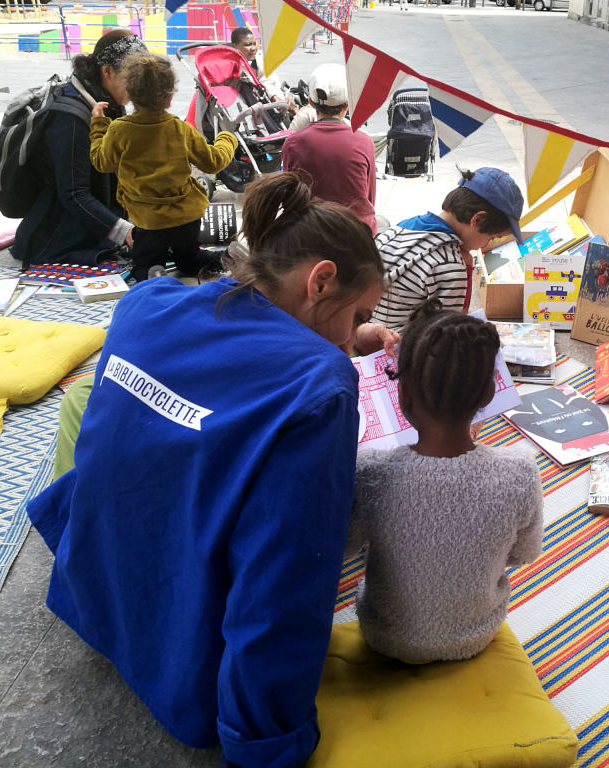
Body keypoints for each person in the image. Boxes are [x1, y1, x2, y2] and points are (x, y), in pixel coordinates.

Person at [26, 172, 398, 767]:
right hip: (180, 661)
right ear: (320, 280)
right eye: (357, 317)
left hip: (92, 593)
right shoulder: (319, 386)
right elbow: (283, 579)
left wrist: (349, 333)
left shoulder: (146, 302)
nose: (351, 342)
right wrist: (266, 742)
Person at [346, 300, 544, 662]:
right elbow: (524, 554)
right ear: (488, 394)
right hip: (476, 635)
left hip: (385, 636)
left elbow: (346, 546)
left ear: (402, 395)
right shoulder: (520, 473)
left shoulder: (371, 473)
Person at [89, 53, 238, 282]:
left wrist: (99, 125)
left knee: (144, 264)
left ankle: (153, 274)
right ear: (169, 97)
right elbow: (213, 162)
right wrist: (227, 138)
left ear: (128, 94)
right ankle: (206, 261)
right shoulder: (180, 129)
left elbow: (102, 162)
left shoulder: (120, 130)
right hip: (186, 216)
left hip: (148, 219)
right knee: (188, 258)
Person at [12, 29, 147, 268]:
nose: (139, 88)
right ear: (107, 71)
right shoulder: (70, 116)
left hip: (97, 214)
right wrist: (126, 232)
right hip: (57, 233)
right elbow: (74, 194)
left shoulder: (106, 100)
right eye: (133, 79)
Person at [371, 167, 525, 332]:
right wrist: (467, 270)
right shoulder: (450, 264)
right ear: (478, 220)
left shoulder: (402, 227)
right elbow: (448, 336)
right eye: (492, 237)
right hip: (399, 349)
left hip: (366, 335)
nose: (485, 246)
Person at [281, 63, 378, 234]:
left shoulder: (293, 143)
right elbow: (369, 197)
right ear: (346, 105)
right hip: (357, 232)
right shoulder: (364, 141)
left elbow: (289, 198)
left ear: (310, 102)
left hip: (309, 231)